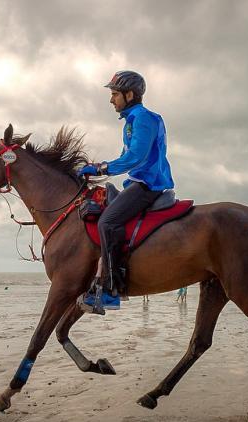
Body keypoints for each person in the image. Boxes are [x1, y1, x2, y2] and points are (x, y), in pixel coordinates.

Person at [77, 70, 174, 313]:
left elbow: (135, 157)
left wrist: (101, 167)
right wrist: (97, 171)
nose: (111, 100)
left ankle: (111, 290)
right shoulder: (131, 121)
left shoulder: (143, 118)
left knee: (108, 223)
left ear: (129, 94)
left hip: (149, 184)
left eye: (114, 94)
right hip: (136, 183)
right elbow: (124, 157)